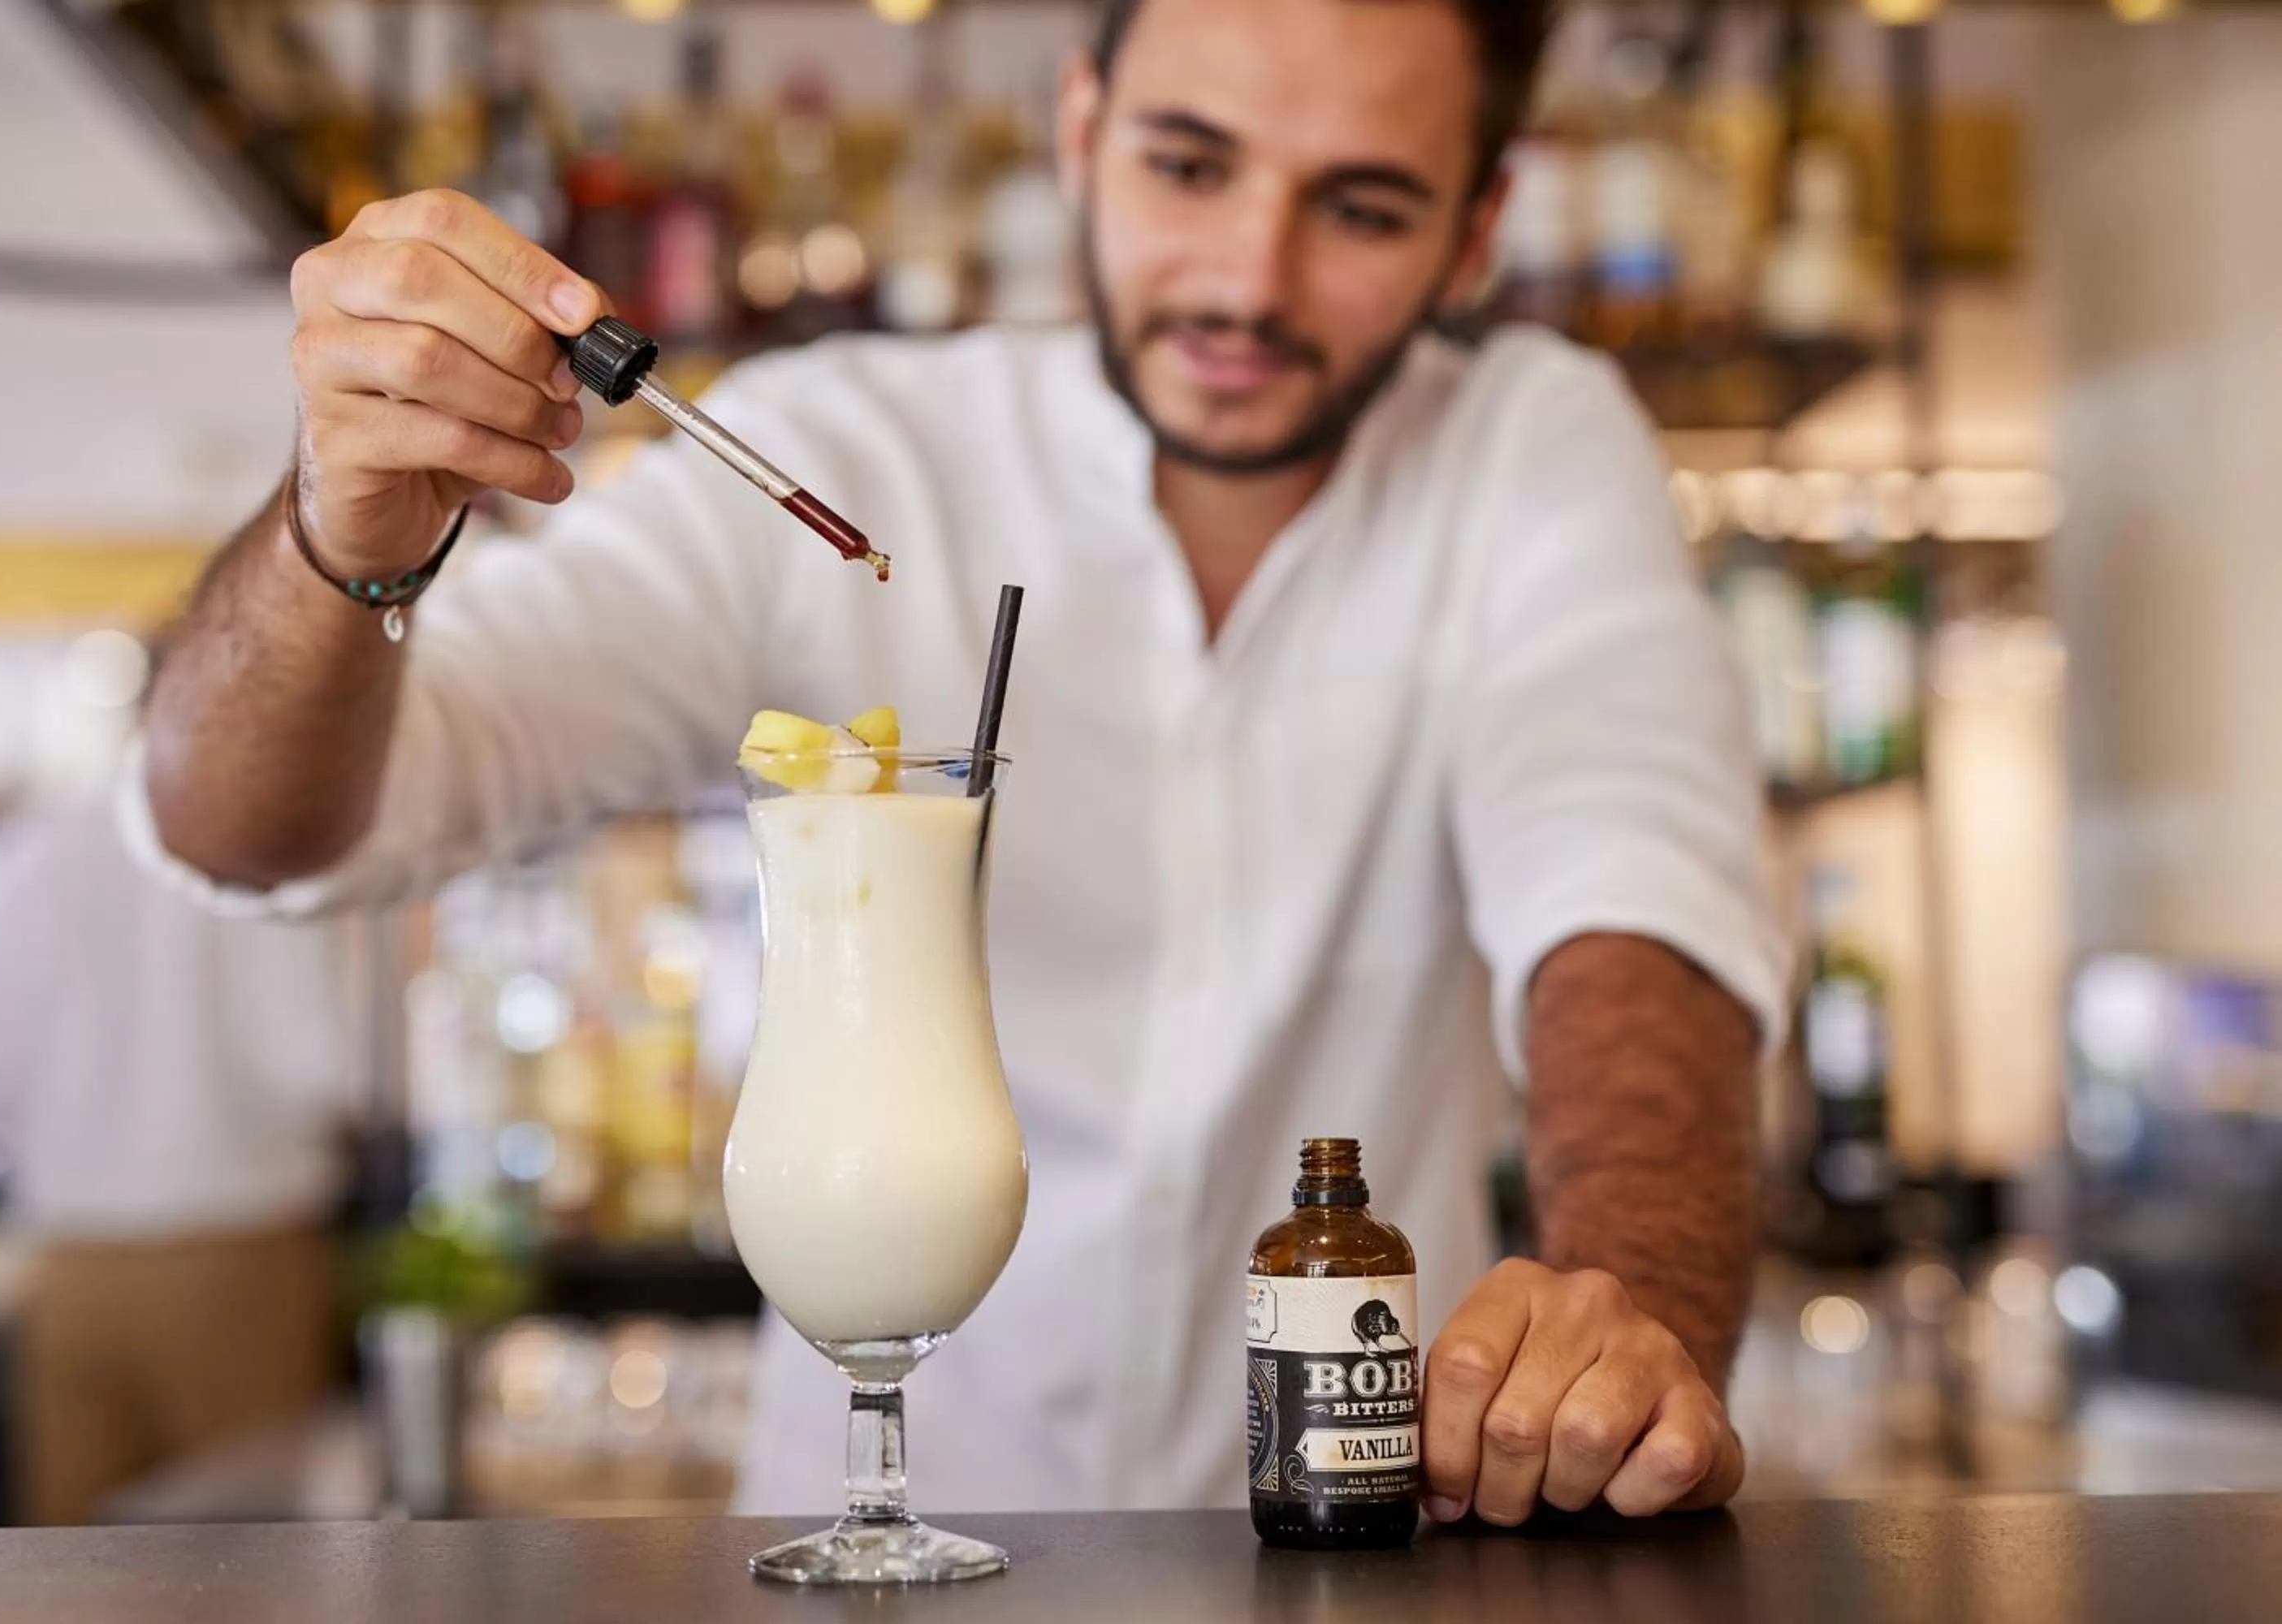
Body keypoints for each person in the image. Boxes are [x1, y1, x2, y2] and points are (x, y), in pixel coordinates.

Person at [131, 0, 1787, 1524]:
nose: (1245, 279)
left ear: (1475, 230)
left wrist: (1621, 1313)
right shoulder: (838, 451)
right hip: (879, 1553)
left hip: (1336, 1547)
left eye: (1359, 207)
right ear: (1078, 133)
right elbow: (253, 833)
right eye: (1188, 166)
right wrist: (334, 539)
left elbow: (1633, 894)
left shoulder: (1530, 450)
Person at [0, 790, 361, 1524]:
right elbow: (319, 1064)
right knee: (254, 1570)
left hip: (70, 1262)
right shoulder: (258, 839)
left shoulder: (41, 848)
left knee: (72, 1578)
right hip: (235, 1244)